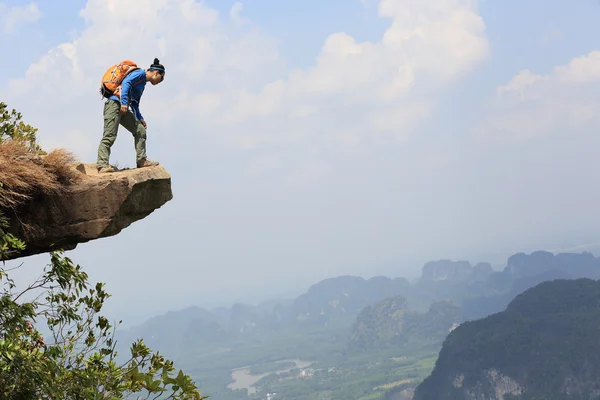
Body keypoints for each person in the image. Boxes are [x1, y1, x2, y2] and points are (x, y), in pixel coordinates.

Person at [96, 58, 166, 173]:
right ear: (156, 73)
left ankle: (141, 161)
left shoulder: (142, 84)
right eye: (161, 78)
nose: (160, 81)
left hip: (123, 108)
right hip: (114, 104)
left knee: (140, 130)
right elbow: (126, 83)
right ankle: (102, 165)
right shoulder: (140, 73)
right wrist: (124, 102)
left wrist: (140, 118)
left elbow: (134, 103)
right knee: (109, 135)